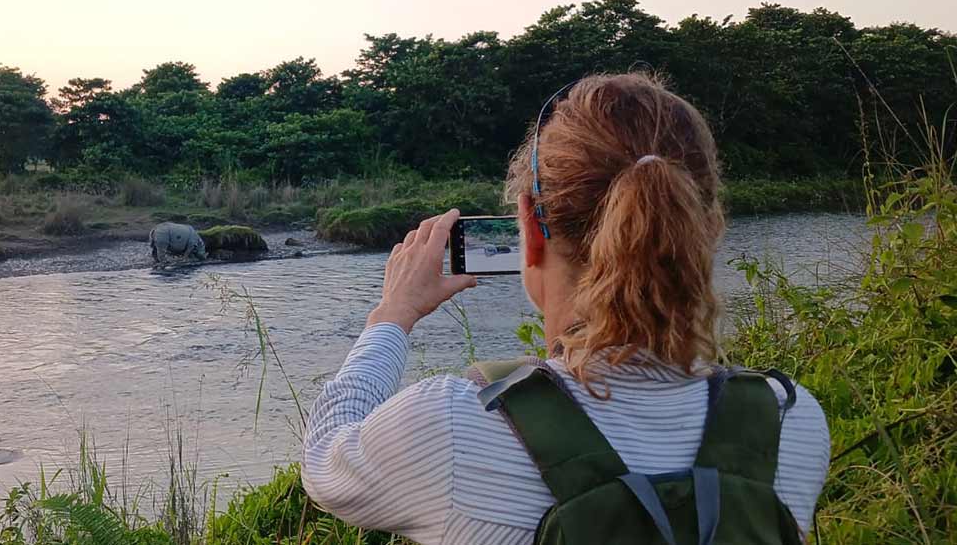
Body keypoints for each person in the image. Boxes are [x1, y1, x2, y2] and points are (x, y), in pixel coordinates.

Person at [302, 73, 830, 544]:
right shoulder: (791, 419)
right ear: (707, 226)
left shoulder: (457, 425)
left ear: (530, 229)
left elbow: (324, 461)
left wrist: (392, 317)